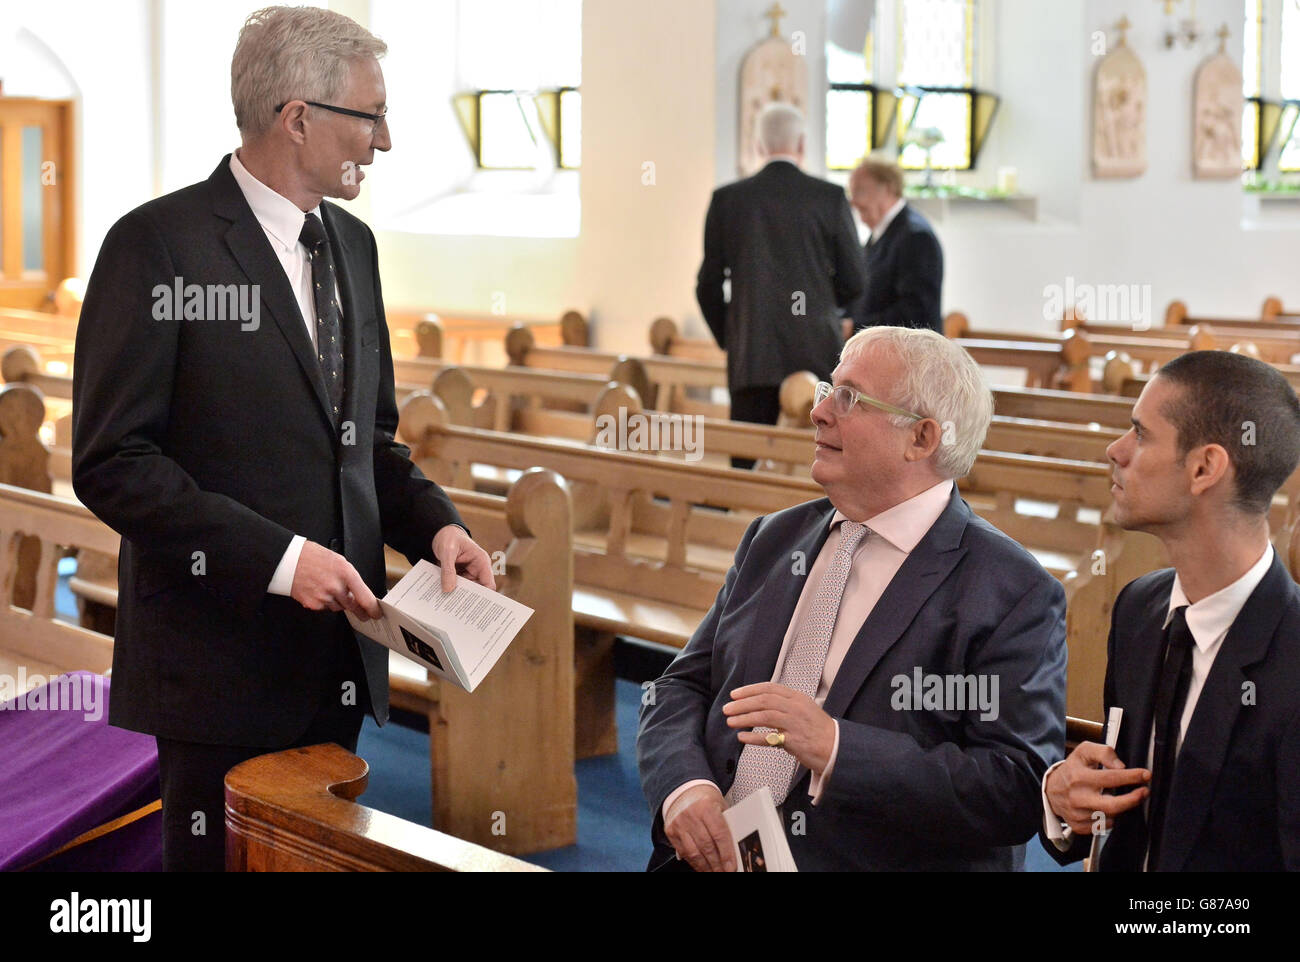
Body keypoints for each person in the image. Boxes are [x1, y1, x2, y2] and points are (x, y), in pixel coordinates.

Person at [71, 6, 495, 871]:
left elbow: (368, 442)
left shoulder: (354, 246)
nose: (385, 140)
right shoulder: (157, 245)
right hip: (217, 662)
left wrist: (437, 526)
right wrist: (280, 558)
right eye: (370, 116)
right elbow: (113, 462)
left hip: (337, 654)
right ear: (298, 116)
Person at [638, 326, 1067, 871]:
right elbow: (680, 685)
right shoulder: (774, 538)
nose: (818, 412)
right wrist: (686, 787)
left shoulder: (1009, 590)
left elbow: (1013, 790)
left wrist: (836, 747)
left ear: (922, 438)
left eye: (850, 398)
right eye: (827, 389)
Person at [1041, 351, 1300, 871]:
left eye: (1140, 434)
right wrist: (1062, 802)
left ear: (1204, 468)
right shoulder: (1141, 608)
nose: (1114, 450)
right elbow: (1128, 825)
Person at [695, 103, 864, 466]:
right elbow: (855, 280)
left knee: (746, 460)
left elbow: (707, 285)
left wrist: (733, 334)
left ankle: (745, 521)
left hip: (752, 352)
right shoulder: (829, 198)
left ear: (758, 146)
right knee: (823, 459)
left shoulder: (727, 200)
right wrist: (822, 308)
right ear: (802, 144)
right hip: (817, 351)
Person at [846, 158, 943, 336]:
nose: (853, 202)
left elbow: (916, 313)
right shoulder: (880, 235)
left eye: (859, 191)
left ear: (888, 188)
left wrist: (854, 326)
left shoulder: (915, 237)